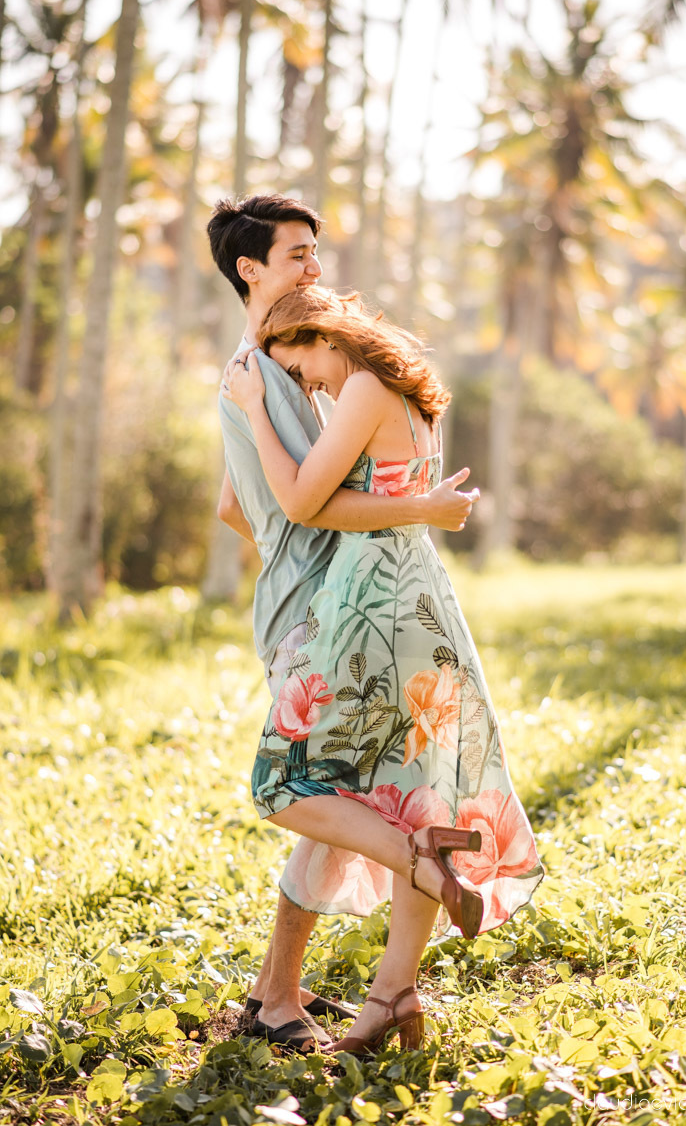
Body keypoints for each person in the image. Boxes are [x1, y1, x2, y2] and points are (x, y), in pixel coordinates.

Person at [222, 286, 543, 1056]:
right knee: (413, 791)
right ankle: (391, 995)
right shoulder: (406, 388)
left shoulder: (361, 388)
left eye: (297, 366)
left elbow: (300, 502)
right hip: (423, 600)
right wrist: (419, 510)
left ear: (322, 335)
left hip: (370, 606)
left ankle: (424, 865)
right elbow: (374, 498)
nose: (305, 384)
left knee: (282, 783)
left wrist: (256, 411)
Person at [208, 194, 479, 1052]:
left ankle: (278, 996)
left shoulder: (259, 375)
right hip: (328, 603)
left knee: (335, 790)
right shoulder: (271, 374)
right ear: (250, 270)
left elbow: (236, 505)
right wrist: (393, 519)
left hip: (337, 596)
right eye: (295, 254)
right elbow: (301, 502)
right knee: (335, 790)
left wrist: (299, 545)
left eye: (314, 253)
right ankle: (296, 993)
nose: (313, 265)